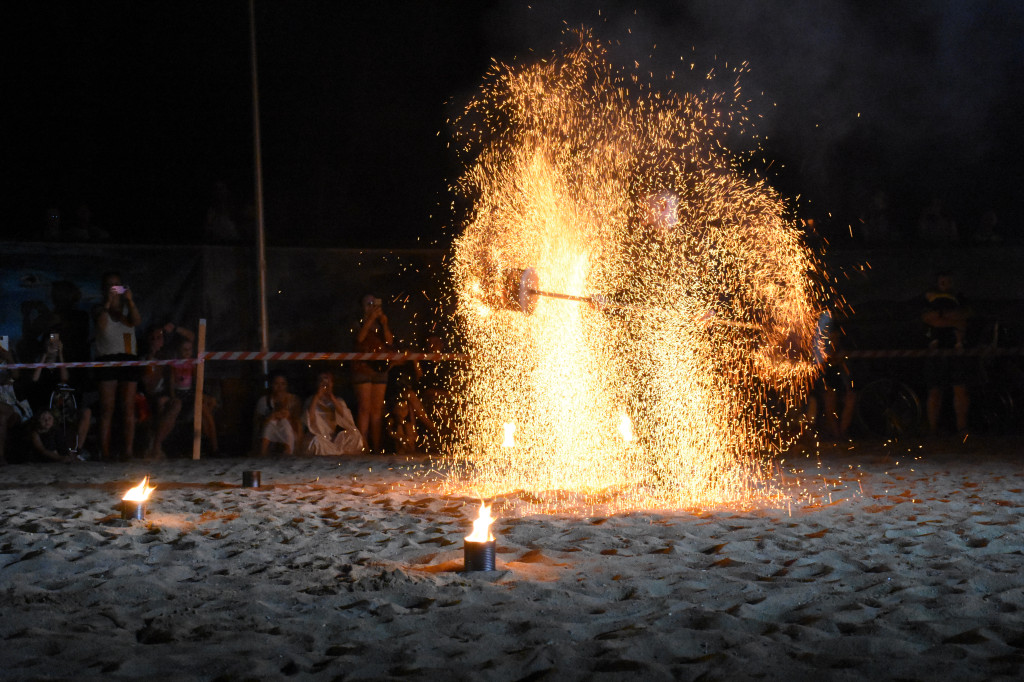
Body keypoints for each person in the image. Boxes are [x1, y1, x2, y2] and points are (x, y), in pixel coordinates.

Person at [92, 272, 142, 461]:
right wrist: (107, 302)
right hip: (107, 358)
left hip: (128, 357)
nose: (114, 289)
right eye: (109, 285)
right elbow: (102, 325)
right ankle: (104, 452)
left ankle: (128, 451)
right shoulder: (98, 308)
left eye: (117, 285)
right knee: (107, 408)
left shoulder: (127, 309)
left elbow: (136, 322)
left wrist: (129, 301)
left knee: (128, 407)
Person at [921, 271, 971, 438]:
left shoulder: (959, 299)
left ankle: (962, 428)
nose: (946, 285)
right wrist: (947, 319)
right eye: (943, 282)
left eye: (949, 281)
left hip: (955, 350)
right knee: (935, 390)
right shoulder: (930, 299)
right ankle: (933, 430)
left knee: (960, 389)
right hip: (935, 351)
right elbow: (930, 318)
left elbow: (962, 318)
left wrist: (944, 318)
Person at [804, 310, 857, 442]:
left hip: (834, 369)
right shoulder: (823, 327)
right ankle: (837, 434)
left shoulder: (827, 326)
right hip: (826, 369)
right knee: (830, 401)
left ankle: (840, 433)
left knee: (846, 399)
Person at [352, 294, 394, 452]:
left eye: (373, 303)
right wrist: (370, 319)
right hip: (362, 368)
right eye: (368, 304)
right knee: (364, 408)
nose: (371, 307)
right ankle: (363, 446)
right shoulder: (358, 322)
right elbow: (359, 339)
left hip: (380, 368)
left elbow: (389, 342)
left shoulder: (381, 322)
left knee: (377, 409)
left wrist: (384, 324)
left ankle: (376, 447)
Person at [168, 328, 219, 455]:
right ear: (179, 351)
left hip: (190, 393)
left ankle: (212, 444)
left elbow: (197, 381)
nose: (187, 353)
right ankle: (212, 445)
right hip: (180, 394)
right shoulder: (175, 364)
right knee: (204, 410)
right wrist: (173, 396)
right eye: (184, 350)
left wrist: (201, 395)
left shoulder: (192, 364)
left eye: (189, 350)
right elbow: (171, 382)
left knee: (208, 407)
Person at [138, 324, 182, 460]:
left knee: (175, 404)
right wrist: (152, 360)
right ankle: (156, 447)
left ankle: (156, 445)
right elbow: (148, 386)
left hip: (164, 396)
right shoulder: (143, 360)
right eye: (152, 338)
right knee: (160, 404)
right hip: (146, 398)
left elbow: (172, 383)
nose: (155, 341)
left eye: (159, 338)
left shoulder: (168, 358)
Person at [304, 371, 363, 455]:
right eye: (321, 380)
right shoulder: (311, 401)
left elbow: (347, 419)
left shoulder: (338, 400)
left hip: (333, 439)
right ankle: (334, 453)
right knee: (316, 441)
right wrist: (317, 397)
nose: (325, 384)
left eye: (328, 381)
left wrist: (332, 398)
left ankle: (336, 452)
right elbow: (310, 419)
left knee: (355, 435)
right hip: (320, 438)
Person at [253, 371, 302, 456]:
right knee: (270, 425)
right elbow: (257, 422)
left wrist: (288, 417)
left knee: (285, 424)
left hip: (289, 430)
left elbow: (298, 421)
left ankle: (289, 452)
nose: (280, 387)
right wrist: (271, 417)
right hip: (270, 429)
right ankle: (263, 454)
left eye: (283, 384)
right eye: (276, 384)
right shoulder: (264, 401)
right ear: (272, 385)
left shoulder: (293, 400)